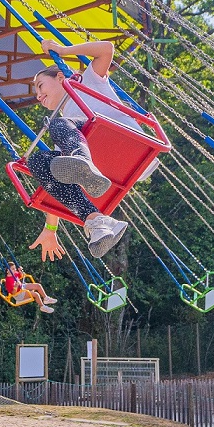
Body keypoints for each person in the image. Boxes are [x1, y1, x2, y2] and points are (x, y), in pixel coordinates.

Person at [25, 38, 133, 262]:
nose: (37, 95)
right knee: (38, 162)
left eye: (40, 86)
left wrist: (63, 51)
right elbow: (58, 181)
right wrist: (51, 229)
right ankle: (97, 222)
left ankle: (83, 161)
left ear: (61, 77)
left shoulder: (86, 82)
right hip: (107, 163)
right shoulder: (64, 131)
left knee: (56, 125)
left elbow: (106, 50)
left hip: (121, 139)